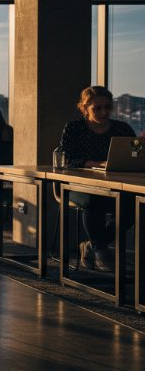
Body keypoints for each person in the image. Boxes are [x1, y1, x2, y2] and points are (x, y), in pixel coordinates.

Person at [59, 85, 136, 272]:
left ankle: (93, 245)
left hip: (114, 185)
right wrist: (93, 164)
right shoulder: (74, 128)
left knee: (132, 207)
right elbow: (65, 159)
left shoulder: (122, 128)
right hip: (79, 186)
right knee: (95, 200)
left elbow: (136, 155)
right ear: (84, 108)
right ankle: (101, 251)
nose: (103, 112)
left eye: (107, 107)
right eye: (97, 108)